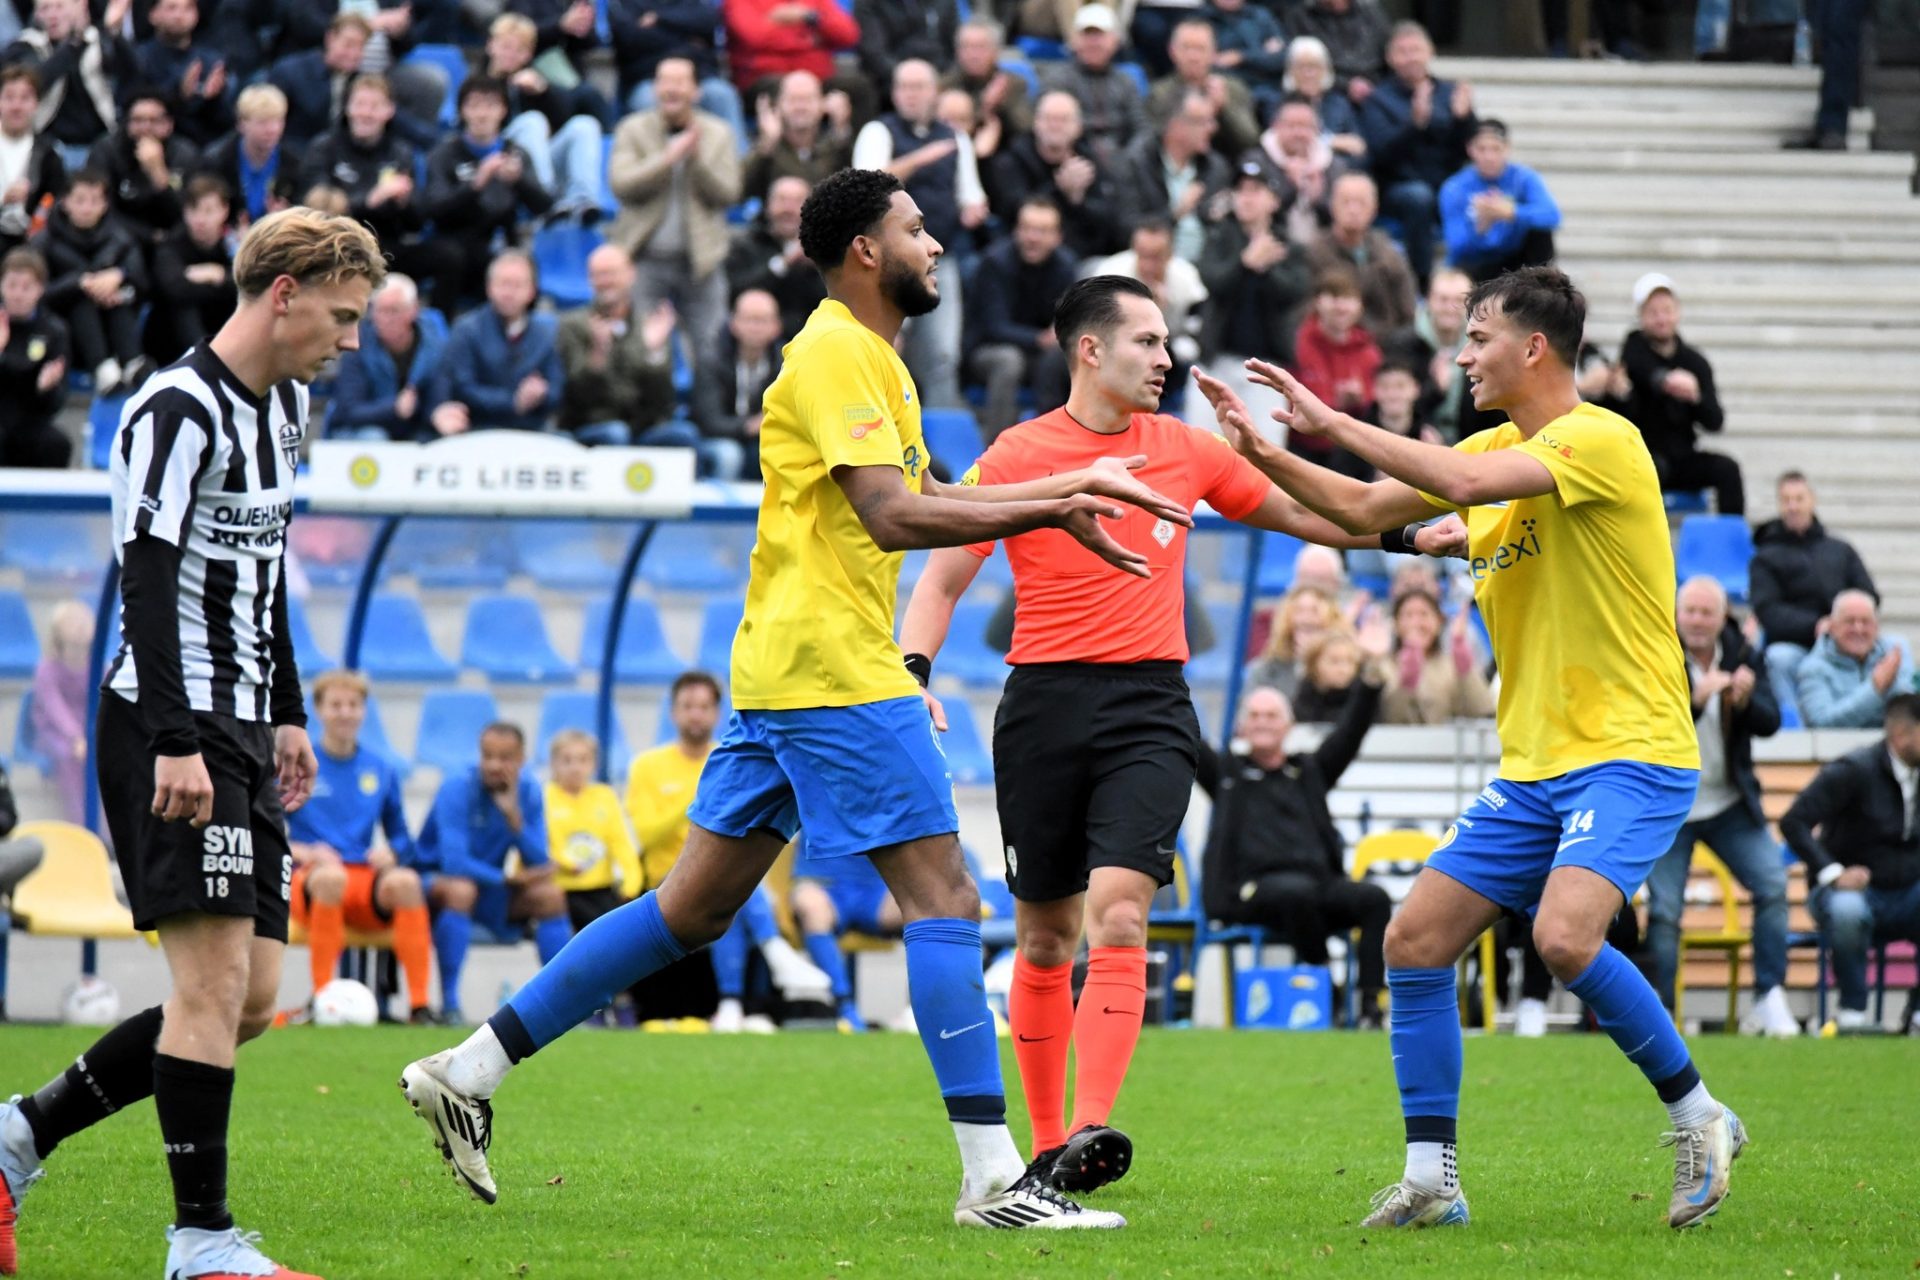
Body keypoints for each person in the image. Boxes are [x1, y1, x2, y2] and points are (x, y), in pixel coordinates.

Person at [399, 166, 1203, 1229]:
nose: (935, 245)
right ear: (866, 250)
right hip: (835, 669)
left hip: (783, 667)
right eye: (916, 228)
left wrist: (1064, 490)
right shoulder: (834, 355)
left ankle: (468, 1067)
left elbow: (928, 495)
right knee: (946, 900)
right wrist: (1059, 498)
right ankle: (994, 1181)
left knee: (689, 908)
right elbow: (891, 516)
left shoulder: (872, 358)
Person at [898, 273, 1463, 1191]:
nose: (1166, 358)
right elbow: (941, 579)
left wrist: (1404, 539)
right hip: (1041, 708)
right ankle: (1045, 1146)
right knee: (1045, 938)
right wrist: (914, 675)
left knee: (1122, 913)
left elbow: (1303, 513)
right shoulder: (1017, 454)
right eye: (1148, 341)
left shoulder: (1186, 448)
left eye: (1167, 342)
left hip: (1151, 705)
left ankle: (1088, 1132)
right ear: (1090, 350)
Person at [1211, 264, 1746, 1229]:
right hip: (1535, 768)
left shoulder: (1601, 438)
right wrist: (1262, 451)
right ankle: (1433, 1181)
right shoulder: (1494, 449)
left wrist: (1329, 418)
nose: (1461, 357)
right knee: (1412, 942)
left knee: (1563, 938)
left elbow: (1455, 485)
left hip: (1630, 752)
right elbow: (1363, 512)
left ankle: (1700, 1114)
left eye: (1477, 338)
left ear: (1534, 348)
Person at [0, 205, 382, 1280]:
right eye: (342, 315)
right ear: (284, 294)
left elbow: (263, 572)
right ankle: (201, 1241)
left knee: (248, 1001)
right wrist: (176, 739)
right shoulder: (172, 409)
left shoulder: (286, 406)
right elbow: (147, 578)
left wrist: (289, 708)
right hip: (173, 724)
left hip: (245, 723)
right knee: (210, 993)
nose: (351, 339)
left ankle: (19, 1134)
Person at [1643, 576, 1796, 1036]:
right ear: (1676, 614)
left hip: (1729, 802)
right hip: (1670, 806)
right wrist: (1695, 700)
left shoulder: (1744, 653)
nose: (1696, 620)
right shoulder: (1657, 648)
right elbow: (1646, 724)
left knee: (1773, 885)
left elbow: (1771, 722)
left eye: (1705, 612)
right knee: (1664, 910)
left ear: (1721, 616)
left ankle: (1769, 995)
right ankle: (1661, 1013)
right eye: (1689, 611)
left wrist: (1745, 702)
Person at [1199, 683, 1394, 1025]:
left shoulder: (1309, 772)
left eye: (1271, 715)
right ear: (1242, 727)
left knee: (1374, 899)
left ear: (1289, 726)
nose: (1262, 722)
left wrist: (1370, 685)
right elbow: (1188, 739)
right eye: (1254, 715)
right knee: (1294, 893)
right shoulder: (1227, 774)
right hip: (1253, 891)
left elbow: (1349, 734)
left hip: (1318, 886)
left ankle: (1369, 1004)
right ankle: (1326, 987)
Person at [288, 668, 434, 1024]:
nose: (345, 713)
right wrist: (307, 852)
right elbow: (266, 830)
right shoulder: (299, 764)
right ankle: (323, 1000)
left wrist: (393, 853)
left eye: (353, 705)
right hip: (311, 879)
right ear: (319, 710)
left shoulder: (379, 768)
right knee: (331, 878)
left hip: (361, 877)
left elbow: (402, 837)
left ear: (363, 711)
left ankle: (420, 1006)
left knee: (407, 883)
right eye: (336, 705)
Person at [852, 57, 988, 411]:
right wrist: (918, 160)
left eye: (919, 87)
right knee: (884, 348)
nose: (910, 94)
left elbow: (971, 194)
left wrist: (974, 208)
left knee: (943, 354)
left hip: (940, 258)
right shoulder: (878, 131)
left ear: (935, 92)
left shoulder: (955, 138)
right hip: (887, 261)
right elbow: (866, 189)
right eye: (904, 87)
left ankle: (940, 431)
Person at [416, 722, 572, 1025]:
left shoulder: (528, 791)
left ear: (521, 759)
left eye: (504, 758)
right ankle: (450, 1005)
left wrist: (514, 820)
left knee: (551, 896)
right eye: (487, 756)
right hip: (435, 885)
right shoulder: (456, 787)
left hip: (487, 889)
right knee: (462, 890)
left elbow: (539, 861)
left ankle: (563, 1006)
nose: (493, 765)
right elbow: (453, 863)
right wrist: (504, 879)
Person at [1782, 692, 1920, 1031]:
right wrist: (1834, 873)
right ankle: (1852, 1012)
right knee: (1848, 910)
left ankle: (1917, 1013)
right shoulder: (1854, 770)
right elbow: (1793, 822)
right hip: (1848, 894)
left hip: (1907, 894)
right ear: (1900, 734)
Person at [609, 55, 743, 367]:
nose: (672, 89)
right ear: (655, 88)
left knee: (711, 352)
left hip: (702, 262)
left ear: (696, 91)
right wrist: (666, 160)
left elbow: (729, 193)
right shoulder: (632, 129)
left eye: (680, 82)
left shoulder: (718, 133)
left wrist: (696, 161)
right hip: (644, 259)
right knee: (641, 352)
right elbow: (621, 184)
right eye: (665, 81)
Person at [299, 73, 460, 315]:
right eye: (360, 104)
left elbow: (416, 223)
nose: (366, 113)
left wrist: (405, 203)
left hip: (385, 245)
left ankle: (434, 327)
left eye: (374, 106)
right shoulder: (324, 147)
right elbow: (312, 204)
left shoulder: (400, 152)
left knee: (450, 257)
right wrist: (370, 200)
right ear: (347, 108)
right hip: (337, 244)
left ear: (389, 111)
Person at [619, 670, 728, 1020]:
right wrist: (695, 799)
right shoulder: (647, 766)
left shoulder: (729, 761)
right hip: (663, 880)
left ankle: (734, 1002)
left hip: (720, 873)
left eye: (704, 707)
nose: (696, 714)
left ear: (717, 713)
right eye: (687, 706)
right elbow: (644, 834)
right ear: (673, 712)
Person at [1750, 470, 1879, 716]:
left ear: (1812, 500)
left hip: (1846, 642)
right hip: (1795, 644)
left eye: (1799, 499)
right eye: (1786, 500)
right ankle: (1794, 727)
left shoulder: (1840, 550)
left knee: (1895, 646)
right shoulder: (1765, 558)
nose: (1793, 507)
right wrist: (1816, 625)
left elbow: (1869, 595)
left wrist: (1844, 622)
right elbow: (1768, 610)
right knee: (1778, 658)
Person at [1355, 21, 1475, 287]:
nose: (1410, 57)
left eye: (1416, 50)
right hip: (1398, 186)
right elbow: (1380, 154)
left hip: (1445, 181)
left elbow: (1469, 148)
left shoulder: (1450, 92)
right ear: (1390, 58)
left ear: (1430, 52)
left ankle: (1472, 280)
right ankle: (1422, 282)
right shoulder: (1378, 99)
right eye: (1403, 51)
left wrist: (1464, 120)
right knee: (1418, 197)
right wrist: (1414, 126)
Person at [422, 75, 553, 311]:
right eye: (474, 106)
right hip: (456, 244)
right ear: (462, 111)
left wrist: (519, 182)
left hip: (499, 244)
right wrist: (476, 184)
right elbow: (434, 209)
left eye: (490, 106)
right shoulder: (444, 154)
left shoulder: (516, 154)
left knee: (520, 268)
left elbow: (544, 206)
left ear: (503, 111)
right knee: (449, 257)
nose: (482, 114)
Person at [1619, 273, 1742, 515]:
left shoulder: (1695, 362)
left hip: (1682, 457)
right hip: (1643, 457)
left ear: (1677, 312)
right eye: (1653, 312)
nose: (1661, 319)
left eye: (1667, 310)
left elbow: (1715, 421)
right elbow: (1640, 367)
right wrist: (1665, 380)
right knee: (1649, 469)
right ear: (1641, 316)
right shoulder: (1633, 349)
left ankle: (1730, 536)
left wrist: (1696, 397)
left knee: (1727, 470)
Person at [965, 197, 1076, 440]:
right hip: (987, 352)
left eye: (1042, 231)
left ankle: (1055, 442)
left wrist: (1056, 336)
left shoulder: (1065, 265)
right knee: (1009, 360)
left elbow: (1067, 319)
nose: (1033, 238)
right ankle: (996, 448)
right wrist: (1039, 338)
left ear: (1057, 237)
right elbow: (994, 327)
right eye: (1027, 229)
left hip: (1038, 354)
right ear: (1016, 230)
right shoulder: (995, 263)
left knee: (1063, 357)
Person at [31, 167, 148, 394]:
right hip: (66, 331)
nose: (87, 208)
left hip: (114, 320)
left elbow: (143, 283)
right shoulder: (44, 242)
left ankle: (132, 362)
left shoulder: (122, 238)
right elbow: (36, 294)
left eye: (95, 201)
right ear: (65, 202)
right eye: (80, 200)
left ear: (105, 205)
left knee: (118, 296)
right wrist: (79, 283)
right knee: (81, 301)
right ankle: (101, 367)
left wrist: (120, 276)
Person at [484, 12, 606, 220]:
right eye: (506, 47)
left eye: (519, 50)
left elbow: (564, 117)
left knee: (585, 124)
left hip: (540, 161)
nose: (511, 55)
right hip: (502, 162)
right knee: (532, 121)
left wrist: (543, 91)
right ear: (491, 46)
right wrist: (503, 85)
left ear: (529, 54)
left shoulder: (536, 81)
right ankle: (546, 199)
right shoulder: (477, 83)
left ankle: (583, 200)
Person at [556, 242, 677, 447]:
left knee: (683, 434)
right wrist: (598, 355)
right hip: (590, 427)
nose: (605, 281)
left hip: (641, 428)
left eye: (611, 273)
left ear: (631, 274)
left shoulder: (650, 326)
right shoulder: (572, 325)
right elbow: (575, 398)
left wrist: (653, 353)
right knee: (615, 433)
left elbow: (663, 402)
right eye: (598, 274)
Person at [984, 90, 1124, 261]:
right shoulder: (1012, 160)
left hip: (1085, 255)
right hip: (1024, 256)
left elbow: (1109, 219)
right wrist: (1060, 190)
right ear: (1036, 123)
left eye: (1064, 120)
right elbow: (1013, 211)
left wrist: (1077, 202)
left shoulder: (1088, 162)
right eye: (1049, 119)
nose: (1055, 126)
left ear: (1078, 127)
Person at [438, 251, 563, 434]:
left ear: (532, 291)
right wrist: (512, 402)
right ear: (489, 287)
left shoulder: (545, 333)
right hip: (478, 430)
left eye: (517, 285)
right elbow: (462, 387)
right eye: (504, 284)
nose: (509, 293)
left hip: (532, 431)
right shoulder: (467, 330)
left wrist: (541, 393)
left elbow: (556, 388)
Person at [3, 0, 136, 172]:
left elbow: (132, 73)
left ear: (80, 7)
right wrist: (73, 45)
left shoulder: (98, 39)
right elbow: (33, 83)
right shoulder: (26, 45)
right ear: (36, 15)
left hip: (98, 140)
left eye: (59, 7)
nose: (52, 15)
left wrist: (114, 33)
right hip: (48, 142)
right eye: (45, 9)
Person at [327, 272, 450, 441]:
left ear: (414, 310)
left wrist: (439, 415)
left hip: (415, 430)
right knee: (374, 437)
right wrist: (393, 408)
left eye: (394, 311)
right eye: (379, 311)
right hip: (361, 432)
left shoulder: (435, 347)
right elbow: (348, 411)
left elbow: (438, 399)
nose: (386, 319)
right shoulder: (357, 347)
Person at [1437, 119, 1558, 283]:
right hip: (1477, 262)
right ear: (1470, 149)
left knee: (1541, 233)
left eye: (1496, 149)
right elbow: (1456, 245)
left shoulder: (1523, 178)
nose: (1489, 157)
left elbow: (1552, 215)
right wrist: (1480, 227)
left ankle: (1540, 288)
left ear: (1507, 148)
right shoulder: (1455, 187)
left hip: (1517, 259)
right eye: (1482, 149)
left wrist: (1511, 212)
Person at [1290, 267, 1379, 477]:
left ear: (1360, 306)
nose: (1341, 306)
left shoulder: (1369, 351)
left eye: (1348, 298)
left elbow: (1379, 403)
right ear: (1317, 301)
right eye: (1333, 297)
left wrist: (1360, 401)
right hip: (1303, 450)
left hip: (1353, 453)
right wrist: (1336, 402)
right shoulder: (1298, 344)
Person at [1305, 172, 1417, 337]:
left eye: (1361, 203)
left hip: (1389, 341)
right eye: (1346, 202)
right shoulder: (1314, 252)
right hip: (1336, 340)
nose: (1353, 210)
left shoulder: (1388, 251)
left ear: (1374, 209)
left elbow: (1407, 306)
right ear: (1332, 206)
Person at [88, 85, 198, 247]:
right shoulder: (106, 150)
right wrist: (150, 236)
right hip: (120, 238)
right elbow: (101, 210)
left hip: (174, 240)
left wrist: (159, 176)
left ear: (169, 124)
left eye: (154, 121)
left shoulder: (185, 155)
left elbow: (190, 213)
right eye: (138, 120)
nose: (146, 128)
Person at [686, 286, 779, 476]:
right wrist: (749, 426)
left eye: (762, 320)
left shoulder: (786, 364)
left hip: (763, 440)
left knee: (779, 453)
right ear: (733, 323)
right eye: (749, 319)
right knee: (729, 454)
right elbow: (709, 422)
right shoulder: (711, 360)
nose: (755, 327)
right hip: (715, 438)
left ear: (776, 326)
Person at [1039, 3, 1146, 167]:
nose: (1094, 43)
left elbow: (1141, 128)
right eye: (1087, 35)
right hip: (1073, 162)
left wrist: (1130, 159)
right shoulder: (1057, 80)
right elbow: (1053, 128)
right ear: (1074, 41)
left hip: (1123, 162)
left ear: (1114, 41)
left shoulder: (1126, 82)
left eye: (1100, 36)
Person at [144, 173, 234, 364]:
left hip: (223, 333)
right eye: (194, 210)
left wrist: (218, 274)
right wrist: (220, 281)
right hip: (169, 343)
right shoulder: (171, 244)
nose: (200, 219)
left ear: (224, 210)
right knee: (184, 305)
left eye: (208, 211)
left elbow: (247, 285)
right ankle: (203, 364)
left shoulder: (234, 245)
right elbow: (173, 289)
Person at [725, 173, 826, 342]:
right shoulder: (746, 244)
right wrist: (783, 263)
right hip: (759, 342)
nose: (789, 209)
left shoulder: (826, 249)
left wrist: (819, 266)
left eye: (797, 201)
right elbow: (735, 292)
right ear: (767, 205)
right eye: (782, 200)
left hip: (814, 338)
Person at [1796, 589, 1915, 729]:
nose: (1858, 629)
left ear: (1877, 627)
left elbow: (1907, 718)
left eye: (1866, 622)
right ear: (1832, 627)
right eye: (1849, 621)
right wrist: (1875, 688)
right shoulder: (1813, 668)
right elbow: (1821, 723)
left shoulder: (1893, 655)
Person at [1147, 19, 1260, 159]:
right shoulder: (1159, 92)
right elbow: (1153, 141)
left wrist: (1224, 108)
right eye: (1186, 48)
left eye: (1200, 49)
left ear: (1214, 53)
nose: (1193, 57)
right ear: (1172, 51)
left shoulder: (1233, 89)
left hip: (1226, 164)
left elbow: (1250, 142)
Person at [1380, 585, 1492, 724]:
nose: (1417, 623)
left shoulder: (1450, 666)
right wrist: (1406, 683)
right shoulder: (1383, 666)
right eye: (1408, 615)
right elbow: (1386, 717)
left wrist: (1465, 670)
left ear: (1439, 622)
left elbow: (1483, 710)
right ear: (1395, 624)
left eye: (1424, 614)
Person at [0, 245, 70, 466]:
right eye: (12, 286)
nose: (18, 295)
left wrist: (44, 388)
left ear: (40, 289)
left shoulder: (54, 331)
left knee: (56, 445)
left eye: (26, 287)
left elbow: (55, 403)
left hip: (27, 421)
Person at [193, 83, 296, 232]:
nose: (272, 129)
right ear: (242, 124)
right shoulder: (217, 161)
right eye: (263, 122)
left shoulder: (294, 163)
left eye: (278, 121)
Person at [742, 70, 849, 205]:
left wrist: (840, 130)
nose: (800, 107)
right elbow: (740, 190)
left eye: (808, 100)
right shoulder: (768, 148)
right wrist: (767, 144)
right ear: (778, 106)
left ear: (823, 105)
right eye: (793, 100)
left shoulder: (835, 144)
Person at [133, 0, 229, 146]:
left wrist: (213, 99)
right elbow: (136, 107)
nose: (179, 15)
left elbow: (224, 121)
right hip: (156, 141)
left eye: (188, 8)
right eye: (172, 8)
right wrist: (180, 94)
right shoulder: (140, 58)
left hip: (203, 144)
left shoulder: (211, 60)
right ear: (152, 14)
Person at [29, 599, 91, 823]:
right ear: (58, 632)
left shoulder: (97, 666)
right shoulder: (46, 670)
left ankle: (107, 827)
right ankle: (81, 822)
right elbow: (56, 710)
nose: (80, 625)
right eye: (72, 621)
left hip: (88, 729)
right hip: (54, 733)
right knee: (69, 756)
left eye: (83, 619)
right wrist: (76, 738)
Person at [722, 0, 860, 99]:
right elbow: (755, 37)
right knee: (787, 90)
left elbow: (849, 36)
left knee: (857, 88)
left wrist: (810, 16)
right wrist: (807, 39)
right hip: (765, 78)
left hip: (818, 78)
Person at [0, 66, 67, 261]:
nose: (16, 106)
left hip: (32, 243)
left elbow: (58, 201)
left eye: (25, 98)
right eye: (9, 98)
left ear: (36, 104)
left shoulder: (48, 152)